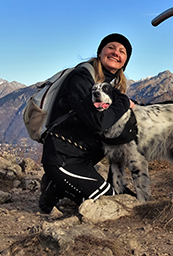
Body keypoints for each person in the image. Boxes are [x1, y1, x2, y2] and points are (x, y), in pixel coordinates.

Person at [39, 33, 136, 214]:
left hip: (82, 160)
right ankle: (57, 182)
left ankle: (54, 187)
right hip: (63, 158)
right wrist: (123, 100)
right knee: (116, 205)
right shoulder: (81, 77)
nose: (116, 52)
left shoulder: (106, 87)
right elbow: (98, 122)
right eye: (111, 47)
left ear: (124, 62)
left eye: (122, 51)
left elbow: (134, 109)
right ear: (100, 52)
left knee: (130, 200)